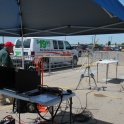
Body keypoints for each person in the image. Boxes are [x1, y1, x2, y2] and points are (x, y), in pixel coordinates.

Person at [0, 41, 15, 105]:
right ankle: (12, 101)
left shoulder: (2, 51)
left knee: (2, 87)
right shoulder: (5, 53)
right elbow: (4, 65)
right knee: (9, 87)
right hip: (6, 73)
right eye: (11, 47)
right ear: (8, 47)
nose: (12, 48)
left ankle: (2, 101)